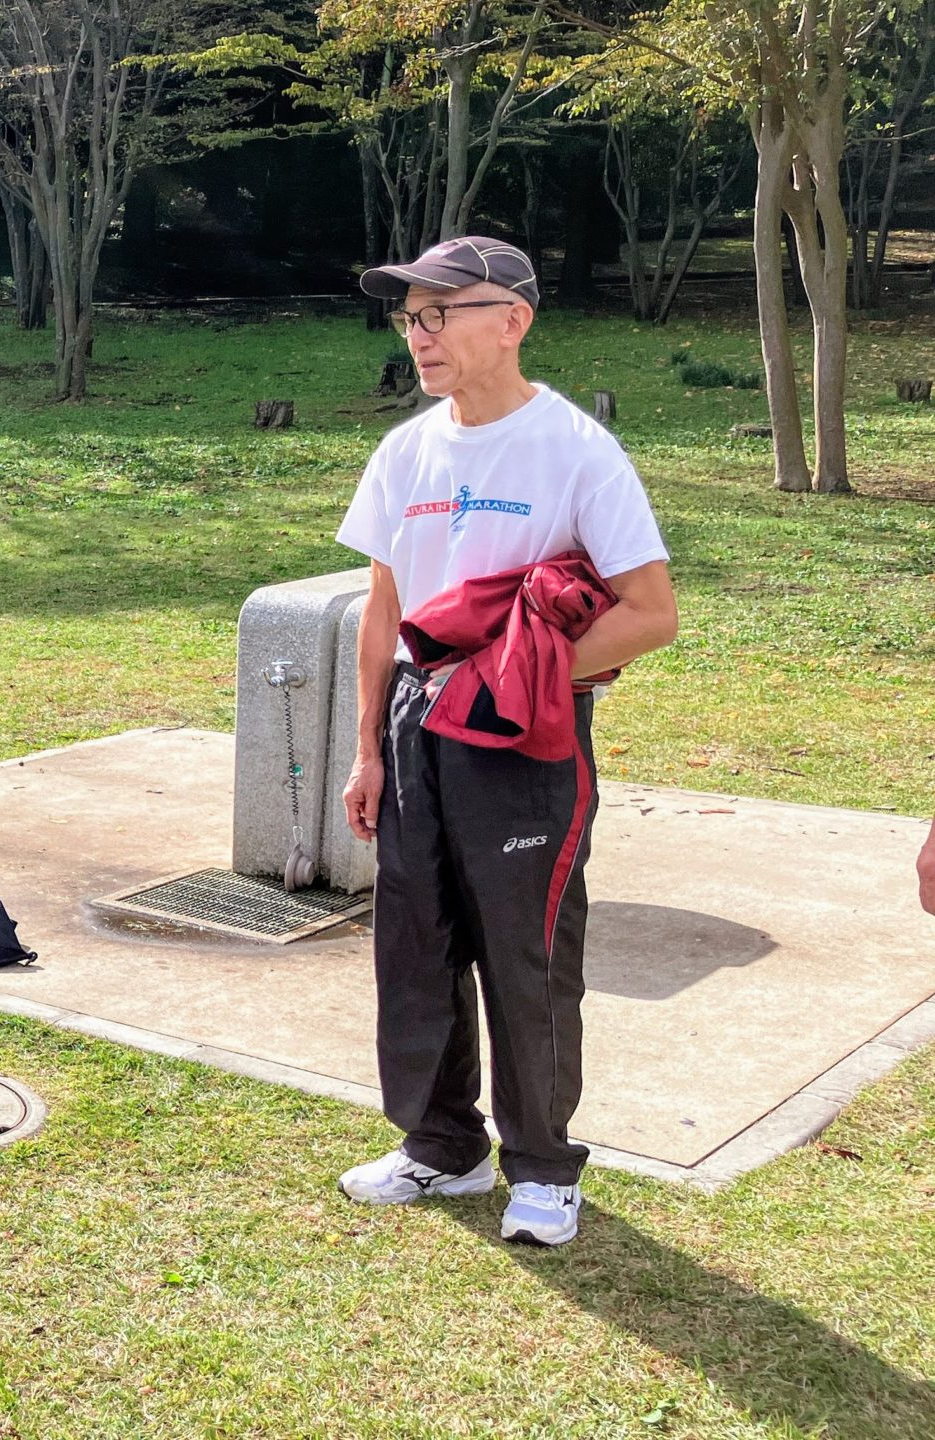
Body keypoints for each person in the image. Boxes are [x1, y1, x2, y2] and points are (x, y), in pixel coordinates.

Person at [333, 236, 679, 1248]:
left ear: (513, 320)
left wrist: (514, 679)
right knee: (416, 941)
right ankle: (443, 1146)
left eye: (442, 312)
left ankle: (543, 1168)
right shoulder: (405, 452)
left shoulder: (574, 449)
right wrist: (367, 748)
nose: (421, 334)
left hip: (522, 740)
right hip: (415, 724)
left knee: (524, 951)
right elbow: (383, 609)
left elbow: (650, 613)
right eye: (411, 316)